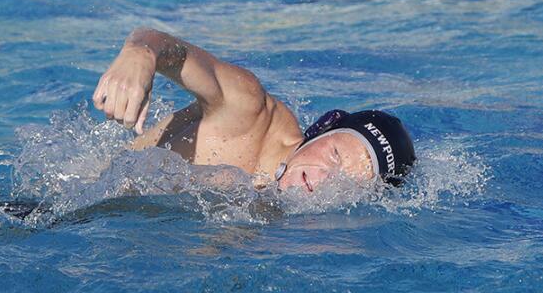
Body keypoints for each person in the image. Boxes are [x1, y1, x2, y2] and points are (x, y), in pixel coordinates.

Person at [91, 27, 415, 192]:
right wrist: (141, 53)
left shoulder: (295, 223)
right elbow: (174, 51)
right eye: (334, 155)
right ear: (321, 130)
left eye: (348, 181)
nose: (325, 179)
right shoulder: (248, 110)